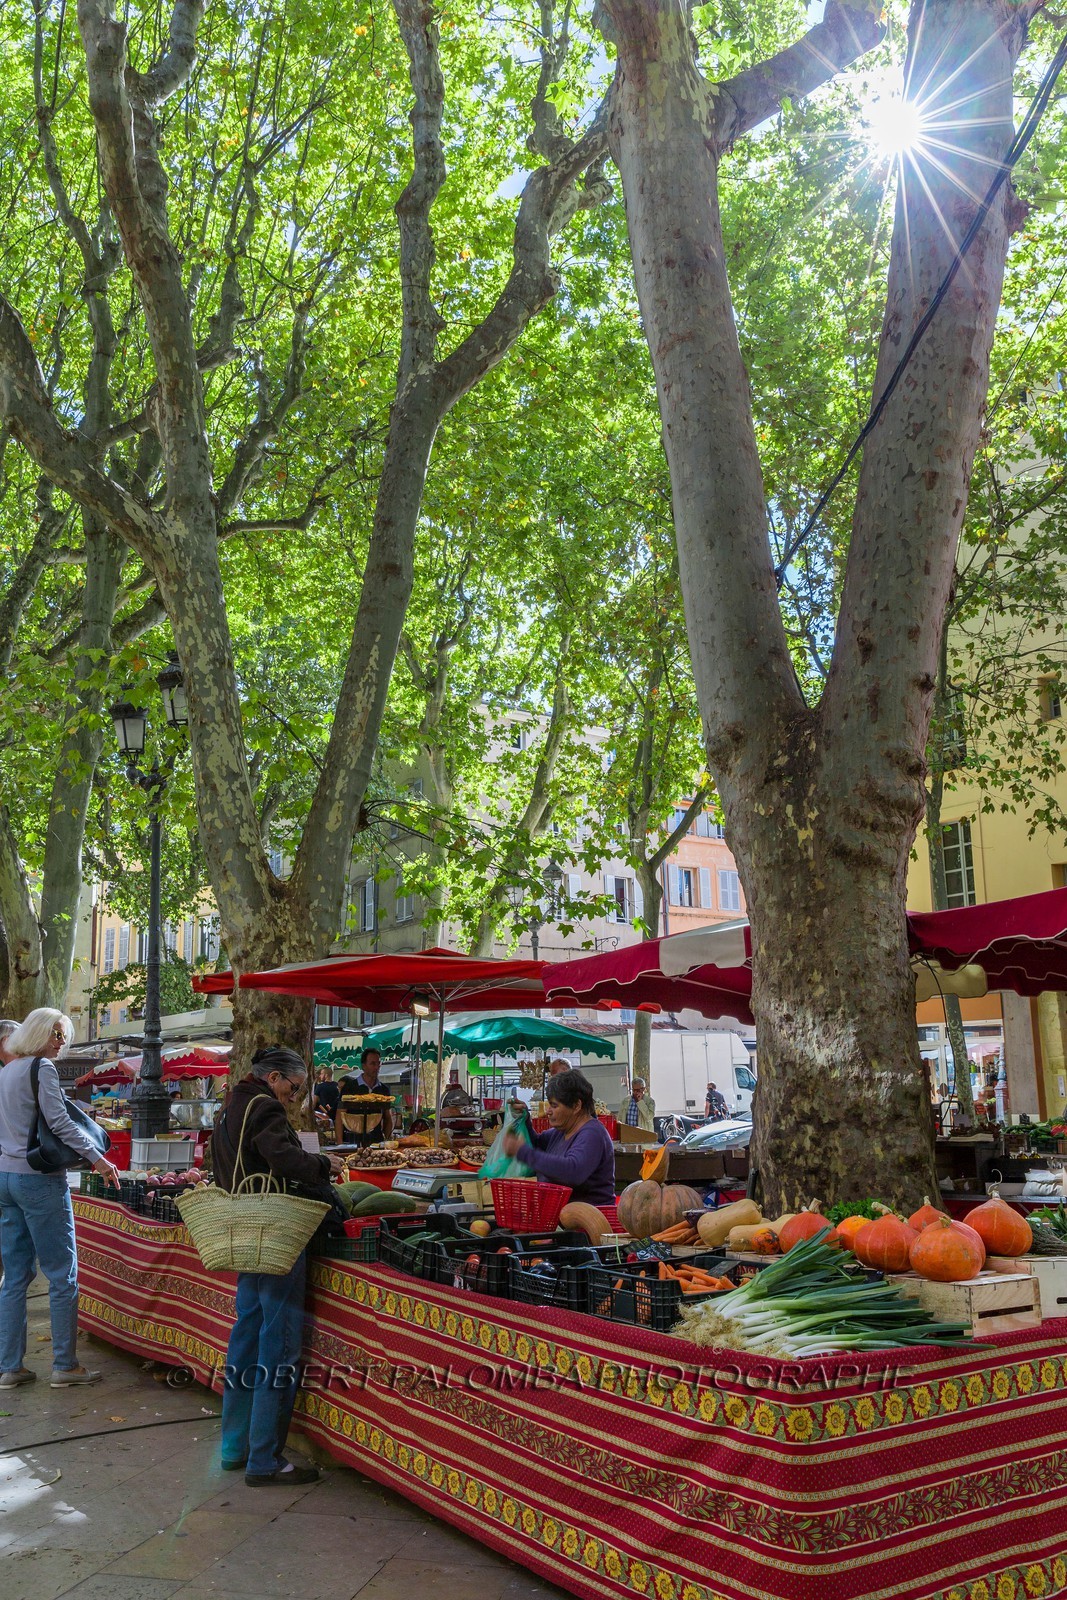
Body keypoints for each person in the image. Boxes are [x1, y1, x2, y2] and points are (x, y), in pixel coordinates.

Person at [212, 1045, 344, 1487]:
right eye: (294, 1087)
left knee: (246, 1333)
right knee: (278, 1343)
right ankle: (265, 1459)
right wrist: (324, 1163)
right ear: (273, 1077)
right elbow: (285, 1159)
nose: (295, 1096)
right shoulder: (265, 1106)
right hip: (276, 1232)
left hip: (245, 1229)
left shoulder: (231, 1100)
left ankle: (234, 1447)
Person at [0, 1008, 121, 1390]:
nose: (61, 1041)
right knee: (62, 1274)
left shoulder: (8, 1072)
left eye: (62, 1034)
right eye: (55, 1033)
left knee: (15, 1277)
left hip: (7, 1178)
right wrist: (99, 1160)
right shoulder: (41, 1069)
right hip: (39, 1179)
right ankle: (64, 1365)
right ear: (37, 1034)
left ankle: (10, 1367)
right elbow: (60, 1122)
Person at [502, 1067, 615, 1206]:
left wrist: (524, 1153)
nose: (548, 1111)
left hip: (587, 1221)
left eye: (554, 1106)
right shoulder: (561, 1131)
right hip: (559, 1219)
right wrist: (526, 1120)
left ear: (576, 1105)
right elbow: (537, 1144)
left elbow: (573, 1171)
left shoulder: (593, 1134)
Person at [335, 1048, 393, 1146]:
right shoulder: (349, 1088)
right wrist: (340, 1144)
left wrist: (386, 1141)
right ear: (364, 1066)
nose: (376, 1067)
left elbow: (388, 1117)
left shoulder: (384, 1090)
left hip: (376, 1142)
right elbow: (339, 1117)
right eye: (372, 1063)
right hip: (353, 1141)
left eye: (378, 1063)